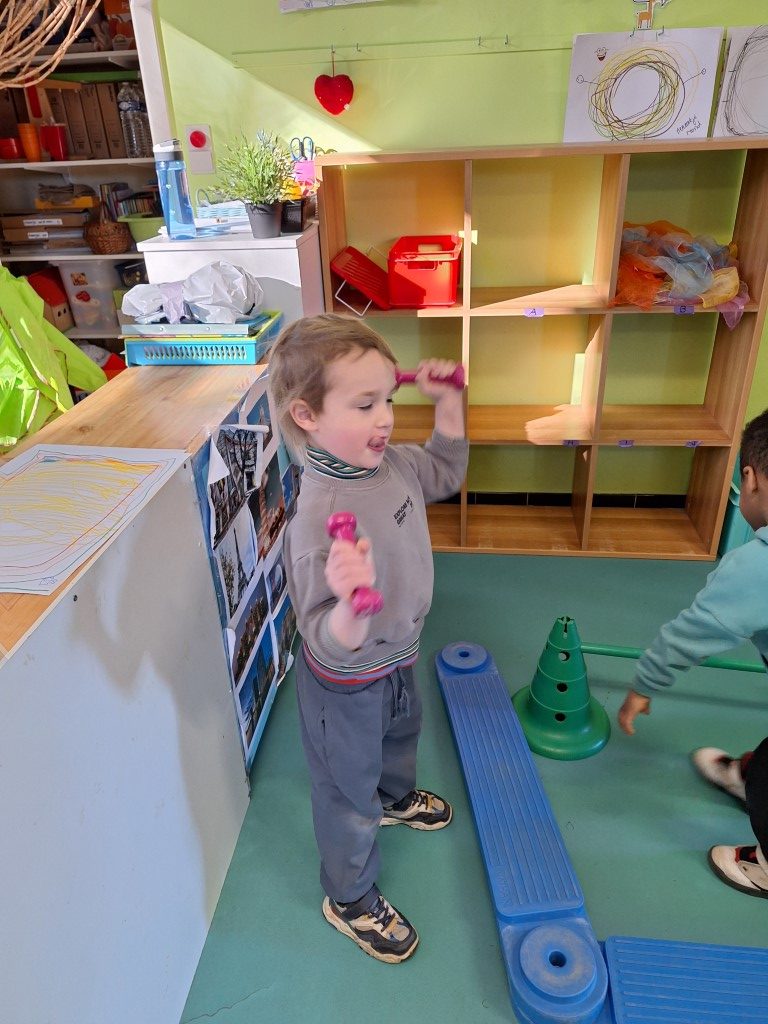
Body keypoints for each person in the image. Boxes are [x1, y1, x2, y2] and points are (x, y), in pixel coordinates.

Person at [267, 313, 468, 961]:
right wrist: (352, 608)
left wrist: (450, 403)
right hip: (345, 683)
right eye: (364, 405)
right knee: (345, 790)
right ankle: (349, 896)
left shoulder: (393, 466)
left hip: (399, 652)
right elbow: (324, 639)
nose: (384, 419)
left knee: (402, 734)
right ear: (306, 415)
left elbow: (445, 471)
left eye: (389, 399)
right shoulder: (317, 519)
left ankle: (394, 797)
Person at [618, 409, 768, 901]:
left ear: (750, 479)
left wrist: (643, 686)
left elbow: (691, 634)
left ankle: (765, 865)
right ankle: (749, 776)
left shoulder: (757, 566)